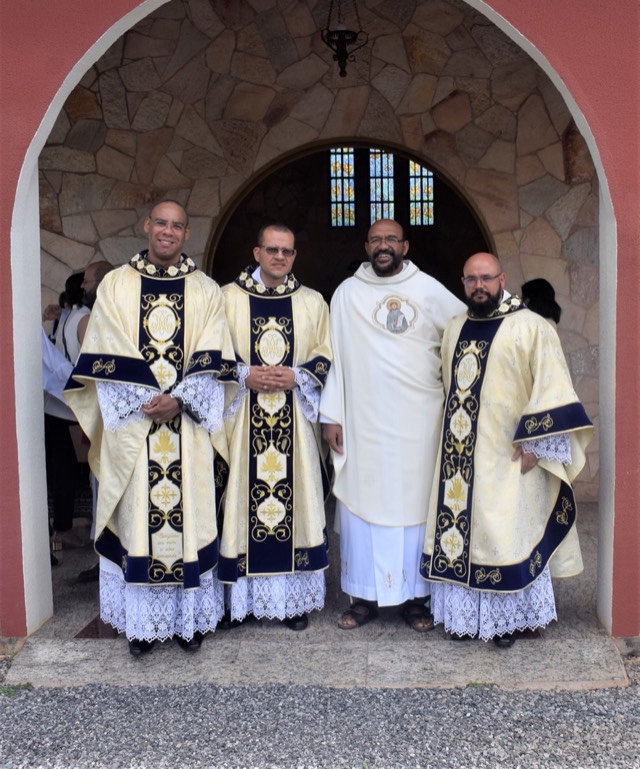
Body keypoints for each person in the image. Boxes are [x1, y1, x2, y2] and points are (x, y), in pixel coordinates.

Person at [65, 200, 237, 656]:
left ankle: (188, 623)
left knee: (191, 519)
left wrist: (179, 400)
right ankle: (143, 627)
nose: (167, 231)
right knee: (139, 520)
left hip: (187, 429)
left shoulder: (205, 290)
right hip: (136, 427)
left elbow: (214, 351)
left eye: (177, 225)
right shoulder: (117, 285)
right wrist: (147, 400)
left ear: (186, 234)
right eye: (160, 223)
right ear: (147, 227)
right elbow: (105, 346)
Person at [421, 252, 593, 647]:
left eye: (486, 278)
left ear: (502, 280)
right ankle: (465, 618)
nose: (478, 286)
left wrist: (538, 442)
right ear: (463, 283)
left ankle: (509, 622)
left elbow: (553, 384)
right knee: (465, 536)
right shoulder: (454, 327)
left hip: (509, 455)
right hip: (458, 460)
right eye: (471, 280)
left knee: (505, 537)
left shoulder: (531, 327)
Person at [320, 219, 466, 631]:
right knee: (361, 510)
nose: (384, 246)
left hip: (418, 421)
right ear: (366, 246)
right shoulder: (347, 294)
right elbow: (334, 354)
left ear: (405, 244)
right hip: (363, 419)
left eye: (391, 240)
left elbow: (464, 331)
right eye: (376, 240)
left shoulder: (428, 289)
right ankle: (363, 597)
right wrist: (331, 413)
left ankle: (416, 599)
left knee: (415, 510)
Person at [218, 224, 332, 631]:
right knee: (240, 505)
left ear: (294, 256)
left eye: (287, 251)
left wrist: (299, 376)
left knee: (297, 503)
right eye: (272, 249)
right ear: (257, 251)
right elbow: (210, 352)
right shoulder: (228, 298)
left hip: (294, 426)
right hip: (244, 418)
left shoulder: (311, 302)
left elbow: (326, 353)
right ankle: (241, 602)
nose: (279, 257)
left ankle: (290, 602)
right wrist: (243, 375)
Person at [44, 271, 89, 553]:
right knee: (76, 474)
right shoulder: (84, 318)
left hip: (55, 405)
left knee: (63, 472)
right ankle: (65, 531)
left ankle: (63, 529)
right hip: (74, 406)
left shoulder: (66, 317)